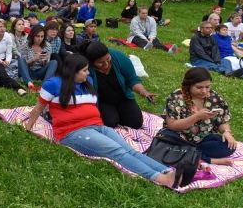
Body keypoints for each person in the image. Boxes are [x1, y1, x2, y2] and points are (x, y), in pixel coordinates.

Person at [23, 55, 178, 187]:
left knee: (130, 150)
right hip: (73, 132)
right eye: (84, 70)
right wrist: (28, 127)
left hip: (98, 126)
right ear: (72, 71)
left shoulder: (87, 82)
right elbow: (38, 108)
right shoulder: (53, 84)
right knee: (117, 152)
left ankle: (167, 170)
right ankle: (159, 178)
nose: (88, 73)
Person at [160, 68, 236, 165]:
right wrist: (197, 116)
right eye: (199, 87)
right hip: (179, 137)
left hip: (202, 139)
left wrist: (227, 132)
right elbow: (172, 125)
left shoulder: (214, 97)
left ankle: (190, 153)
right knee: (167, 140)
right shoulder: (176, 97)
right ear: (188, 85)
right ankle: (208, 159)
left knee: (229, 146)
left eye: (207, 87)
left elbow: (222, 120)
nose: (204, 91)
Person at [81, 42, 156, 129]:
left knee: (136, 123)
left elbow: (132, 79)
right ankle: (113, 114)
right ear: (92, 62)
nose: (106, 64)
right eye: (100, 62)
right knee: (110, 123)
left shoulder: (118, 57)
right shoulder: (86, 69)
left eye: (108, 58)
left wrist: (143, 92)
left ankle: (119, 113)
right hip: (103, 101)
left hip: (123, 98)